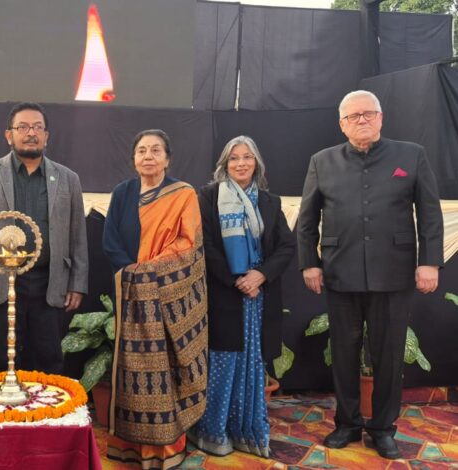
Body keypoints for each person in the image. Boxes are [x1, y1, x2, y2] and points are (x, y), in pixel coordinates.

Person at [298, 90, 443, 459]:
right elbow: (307, 219)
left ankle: (382, 428)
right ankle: (347, 424)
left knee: (389, 356)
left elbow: (429, 213)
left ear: (381, 118)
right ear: (342, 124)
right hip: (340, 272)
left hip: (393, 272)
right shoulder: (321, 161)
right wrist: (309, 263)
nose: (361, 120)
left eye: (368, 113)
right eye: (353, 116)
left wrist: (429, 262)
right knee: (344, 353)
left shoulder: (411, 155)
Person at [102, 129, 208, 469]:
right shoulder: (123, 192)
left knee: (166, 371)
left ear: (167, 158)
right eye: (142, 151)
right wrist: (133, 274)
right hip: (131, 292)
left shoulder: (183, 194)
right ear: (134, 158)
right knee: (132, 371)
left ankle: (165, 449)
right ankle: (130, 447)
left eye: (155, 150)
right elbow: (110, 239)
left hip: (167, 296)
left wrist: (149, 273)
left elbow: (188, 245)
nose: (148, 156)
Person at [187, 136, 295, 457]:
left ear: (257, 162)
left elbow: (286, 246)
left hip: (259, 296)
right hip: (225, 295)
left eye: (247, 157)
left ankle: (247, 431)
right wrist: (238, 280)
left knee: (253, 365)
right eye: (234, 158)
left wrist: (260, 275)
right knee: (223, 364)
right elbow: (204, 245)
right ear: (224, 164)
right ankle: (211, 431)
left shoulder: (270, 202)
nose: (241, 163)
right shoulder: (208, 197)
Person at [0, 102, 88, 374]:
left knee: (49, 362)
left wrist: (77, 284)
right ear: (9, 135)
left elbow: (78, 236)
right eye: (23, 127)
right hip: (2, 282)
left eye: (37, 127)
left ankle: (45, 403)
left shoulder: (68, 179)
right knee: (2, 361)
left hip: (50, 282)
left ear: (46, 136)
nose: (31, 133)